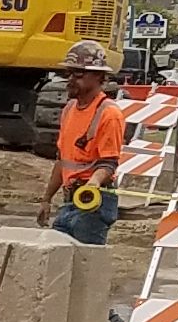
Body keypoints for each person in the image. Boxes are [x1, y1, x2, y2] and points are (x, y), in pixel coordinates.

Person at [45, 45, 128, 246]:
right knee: (58, 261)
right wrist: (46, 199)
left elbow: (108, 163)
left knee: (85, 266)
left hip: (93, 202)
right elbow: (63, 160)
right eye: (69, 73)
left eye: (79, 73)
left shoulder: (109, 114)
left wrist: (94, 182)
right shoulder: (70, 109)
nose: (71, 79)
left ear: (99, 76)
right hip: (70, 200)